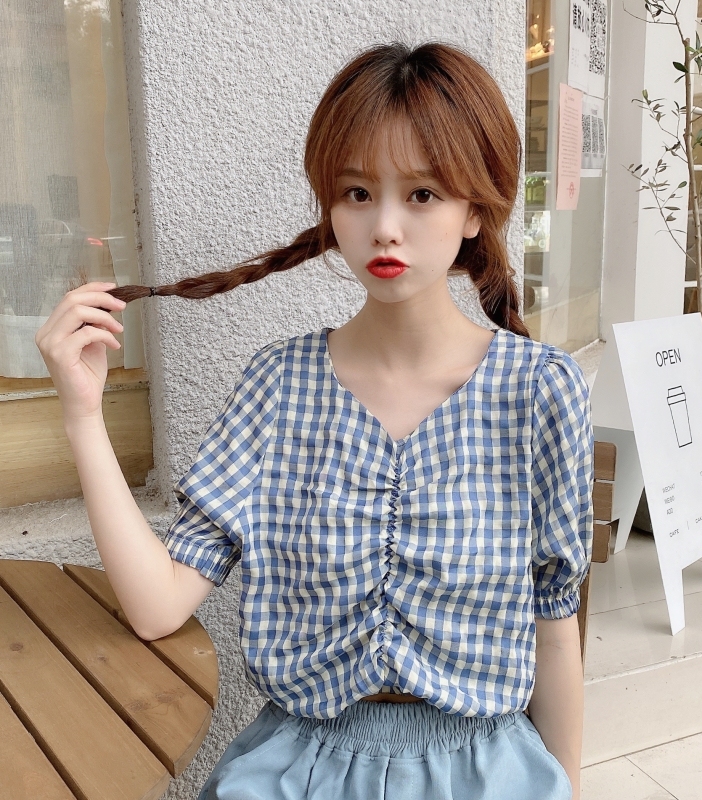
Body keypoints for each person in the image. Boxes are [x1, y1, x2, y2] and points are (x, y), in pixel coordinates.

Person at [36, 42, 592, 800]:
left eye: (422, 194)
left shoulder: (541, 391)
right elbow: (157, 607)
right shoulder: (279, 386)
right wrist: (82, 414)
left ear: (475, 210)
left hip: (487, 772)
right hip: (300, 771)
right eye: (357, 193)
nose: (385, 226)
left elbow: (555, 632)